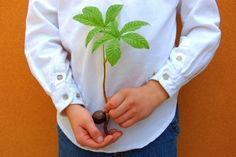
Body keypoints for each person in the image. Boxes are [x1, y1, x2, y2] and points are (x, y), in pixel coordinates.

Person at [24, 0, 221, 156]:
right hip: (78, 127)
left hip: (154, 129)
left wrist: (159, 88)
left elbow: (204, 28)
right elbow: (41, 36)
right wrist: (68, 100)